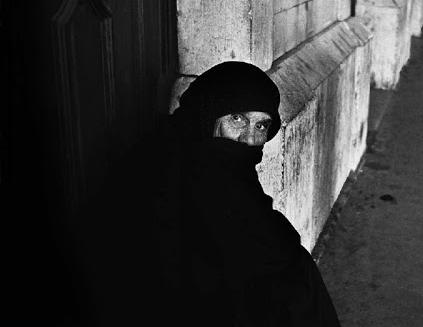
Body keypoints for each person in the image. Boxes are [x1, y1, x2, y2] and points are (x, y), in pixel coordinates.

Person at [70, 61, 341, 326]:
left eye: (260, 126)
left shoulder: (224, 165)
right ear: (209, 112)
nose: (249, 139)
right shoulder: (161, 168)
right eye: (237, 119)